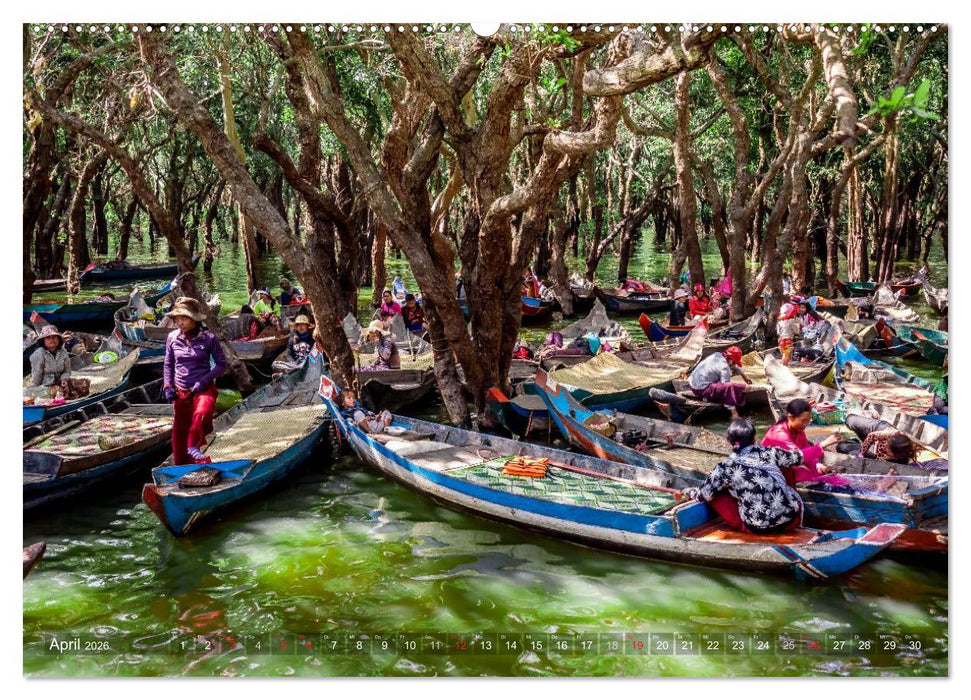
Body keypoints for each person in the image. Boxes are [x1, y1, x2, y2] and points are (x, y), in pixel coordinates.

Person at [684, 419, 804, 534]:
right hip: (790, 520)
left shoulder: (725, 467)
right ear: (754, 439)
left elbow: (703, 495)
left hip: (756, 528)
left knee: (716, 493)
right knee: (785, 466)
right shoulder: (770, 453)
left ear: (728, 440)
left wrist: (688, 491)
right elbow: (798, 458)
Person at [163, 297, 227, 465]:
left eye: (184, 319)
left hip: (203, 388)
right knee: (180, 429)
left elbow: (221, 365)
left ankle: (194, 446)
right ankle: (182, 464)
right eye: (177, 319)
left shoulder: (209, 338)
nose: (180, 323)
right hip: (180, 391)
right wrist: (168, 386)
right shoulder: (172, 337)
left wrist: (203, 381)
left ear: (194, 319)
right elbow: (168, 364)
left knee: (201, 412)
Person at [761, 398, 849, 486]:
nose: (806, 424)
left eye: (808, 421)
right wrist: (824, 444)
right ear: (791, 417)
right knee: (805, 475)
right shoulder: (778, 433)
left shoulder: (799, 431)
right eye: (803, 420)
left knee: (833, 480)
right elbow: (797, 456)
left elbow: (808, 457)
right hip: (771, 474)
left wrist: (821, 468)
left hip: (788, 469)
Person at [686, 346, 751, 418]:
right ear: (731, 361)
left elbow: (734, 366)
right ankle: (734, 413)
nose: (734, 365)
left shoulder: (717, 354)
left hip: (692, 383)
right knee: (731, 386)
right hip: (701, 390)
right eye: (734, 362)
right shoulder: (724, 367)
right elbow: (726, 389)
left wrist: (745, 377)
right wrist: (733, 410)